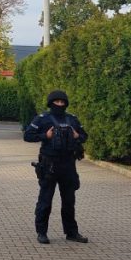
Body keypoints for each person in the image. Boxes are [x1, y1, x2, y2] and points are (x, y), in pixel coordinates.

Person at [24, 89, 89, 245]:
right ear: (51, 103)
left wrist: (77, 136)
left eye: (62, 102)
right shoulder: (43, 119)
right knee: (45, 200)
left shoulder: (72, 119)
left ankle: (71, 232)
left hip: (68, 164)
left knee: (69, 201)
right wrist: (45, 136)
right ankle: (42, 232)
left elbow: (84, 136)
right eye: (57, 102)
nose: (60, 104)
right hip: (49, 165)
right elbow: (27, 135)